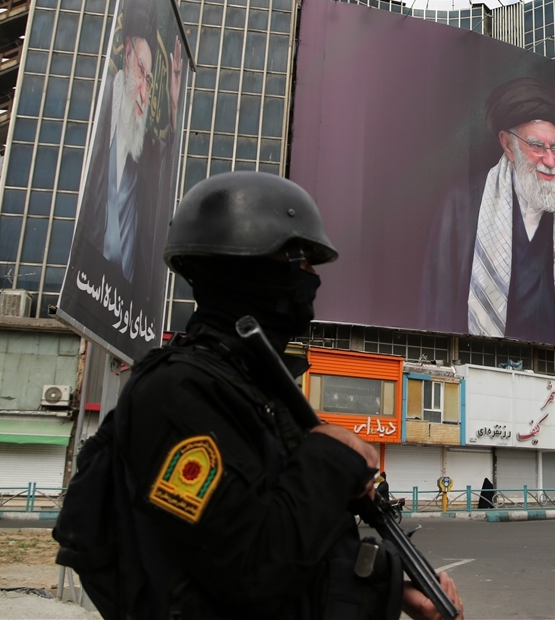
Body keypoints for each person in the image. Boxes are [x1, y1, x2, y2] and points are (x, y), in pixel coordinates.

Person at [87, 172, 462, 619]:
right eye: (300, 261)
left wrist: (394, 590)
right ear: (245, 263)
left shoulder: (251, 389)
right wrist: (329, 460)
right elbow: (249, 570)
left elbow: (298, 550)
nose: (312, 278)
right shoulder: (176, 393)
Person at [420, 78, 555, 351]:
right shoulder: (461, 207)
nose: (550, 161)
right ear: (507, 145)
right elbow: (439, 304)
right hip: (479, 362)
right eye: (537, 146)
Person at [79, 0, 182, 288]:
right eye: (141, 70)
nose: (143, 93)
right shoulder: (99, 117)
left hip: (122, 298)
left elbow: (164, 163)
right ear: (125, 53)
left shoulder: (143, 147)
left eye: (149, 81)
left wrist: (173, 107)